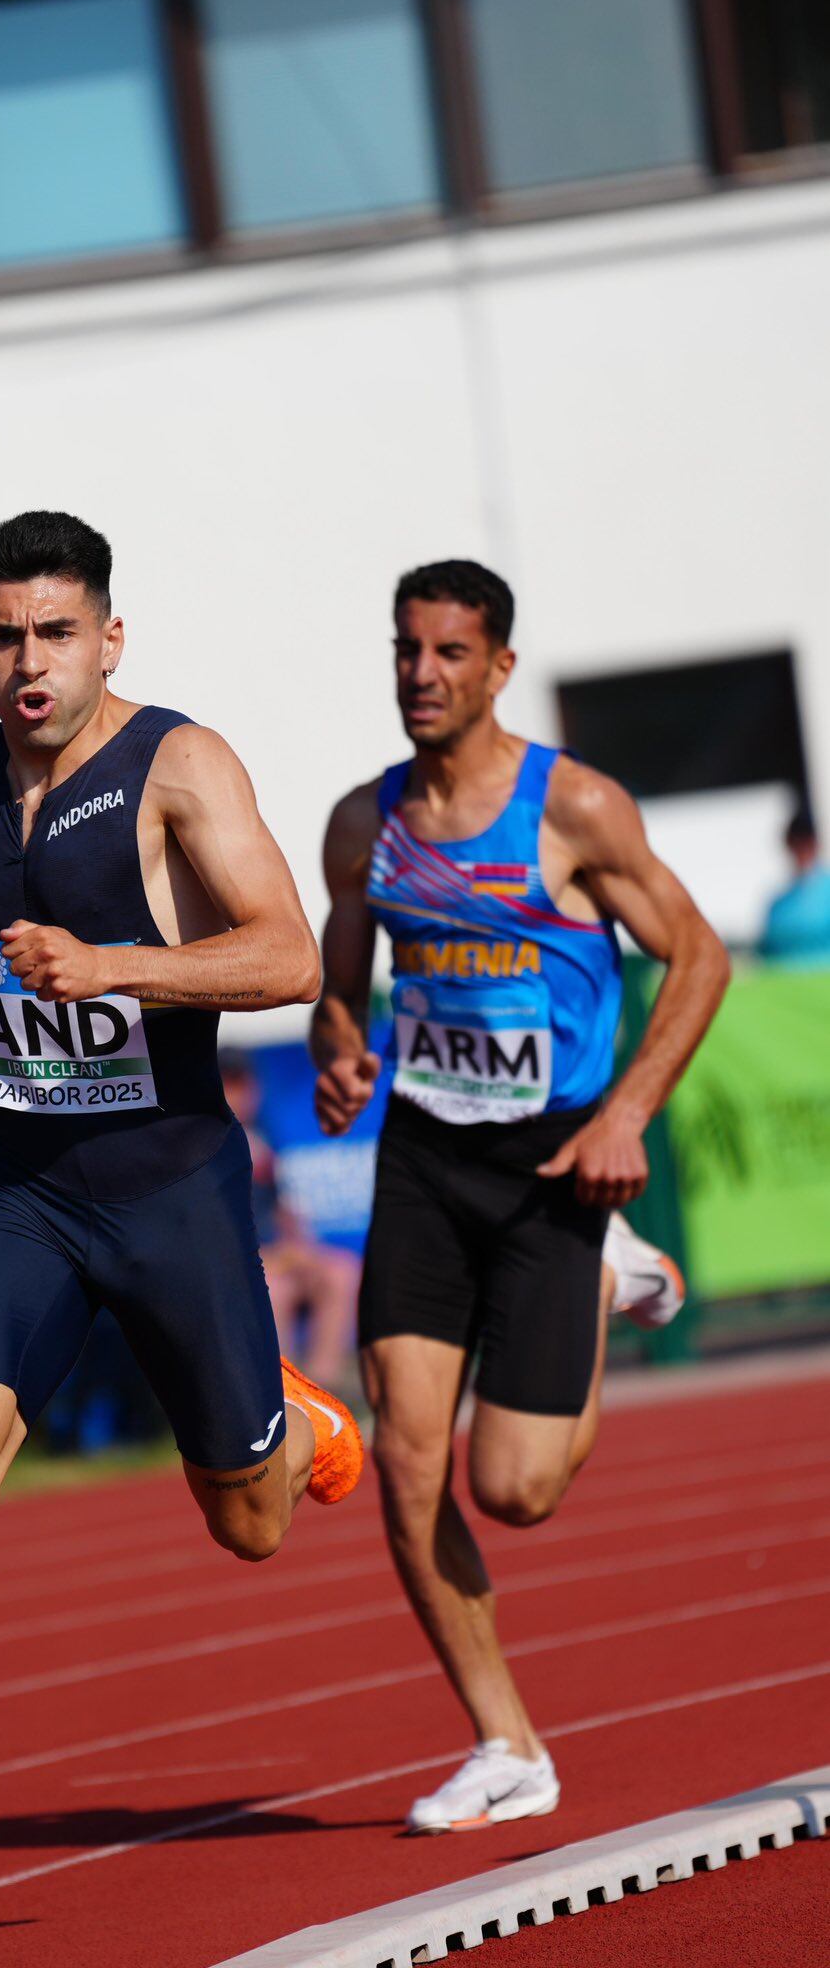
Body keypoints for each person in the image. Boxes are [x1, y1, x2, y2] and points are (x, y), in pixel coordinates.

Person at [0, 511, 364, 1944]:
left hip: (170, 1181)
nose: (28, 663)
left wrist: (113, 964)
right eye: (3, 635)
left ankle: (291, 1424)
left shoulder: (178, 764)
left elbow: (288, 953)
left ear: (108, 637)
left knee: (246, 1526)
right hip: (27, 1180)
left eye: (55, 633)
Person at [311, 559, 728, 1833]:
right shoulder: (363, 822)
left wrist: (623, 1114)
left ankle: (605, 1263)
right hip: (427, 1165)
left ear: (497, 667)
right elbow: (341, 972)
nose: (421, 675)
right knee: (405, 1463)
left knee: (517, 1488)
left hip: (556, 1171)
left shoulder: (575, 810)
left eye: (448, 653)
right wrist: (337, 1043)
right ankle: (506, 1743)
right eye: (404, 650)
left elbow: (699, 954)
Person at [220, 1050, 361, 1388]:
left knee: (341, 1272)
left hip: (278, 1254)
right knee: (275, 1289)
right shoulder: (202, 1144)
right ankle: (279, 1396)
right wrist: (274, 1255)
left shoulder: (264, 1137)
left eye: (244, 1083)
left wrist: (302, 1248)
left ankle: (322, 1393)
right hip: (237, 1263)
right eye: (230, 1084)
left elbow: (283, 1207)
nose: (240, 1093)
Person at [759, 803, 830, 965]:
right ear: (789, 845)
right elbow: (766, 956)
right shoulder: (777, 906)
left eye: (806, 842)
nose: (802, 850)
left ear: (816, 844)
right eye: (796, 843)